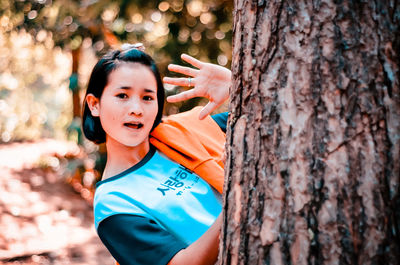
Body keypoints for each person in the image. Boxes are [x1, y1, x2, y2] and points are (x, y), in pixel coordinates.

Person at [82, 44, 231, 265]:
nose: (137, 109)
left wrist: (234, 86)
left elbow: (259, 123)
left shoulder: (182, 130)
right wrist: (237, 201)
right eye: (122, 95)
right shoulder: (113, 204)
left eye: (148, 98)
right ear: (95, 105)